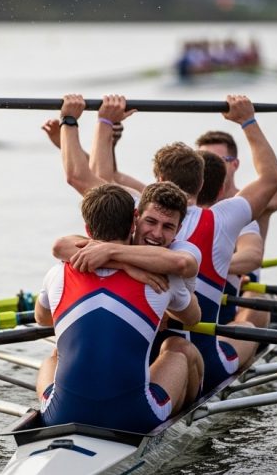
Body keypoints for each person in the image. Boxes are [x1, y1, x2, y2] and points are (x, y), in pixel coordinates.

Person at [57, 94, 277, 392]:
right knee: (248, 326)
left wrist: (90, 121)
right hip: (208, 362)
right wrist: (247, 120)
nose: (158, 232)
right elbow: (272, 178)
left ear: (158, 179)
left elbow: (80, 176)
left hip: (139, 359)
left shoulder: (138, 210)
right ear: (202, 184)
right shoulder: (222, 219)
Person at [34, 182, 203, 433]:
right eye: (151, 223)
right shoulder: (162, 281)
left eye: (166, 226)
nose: (157, 234)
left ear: (87, 229)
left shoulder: (57, 272)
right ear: (133, 222)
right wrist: (129, 268)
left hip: (60, 416)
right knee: (180, 350)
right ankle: (182, 426)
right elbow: (193, 318)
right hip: (135, 419)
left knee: (56, 354)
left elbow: (42, 319)